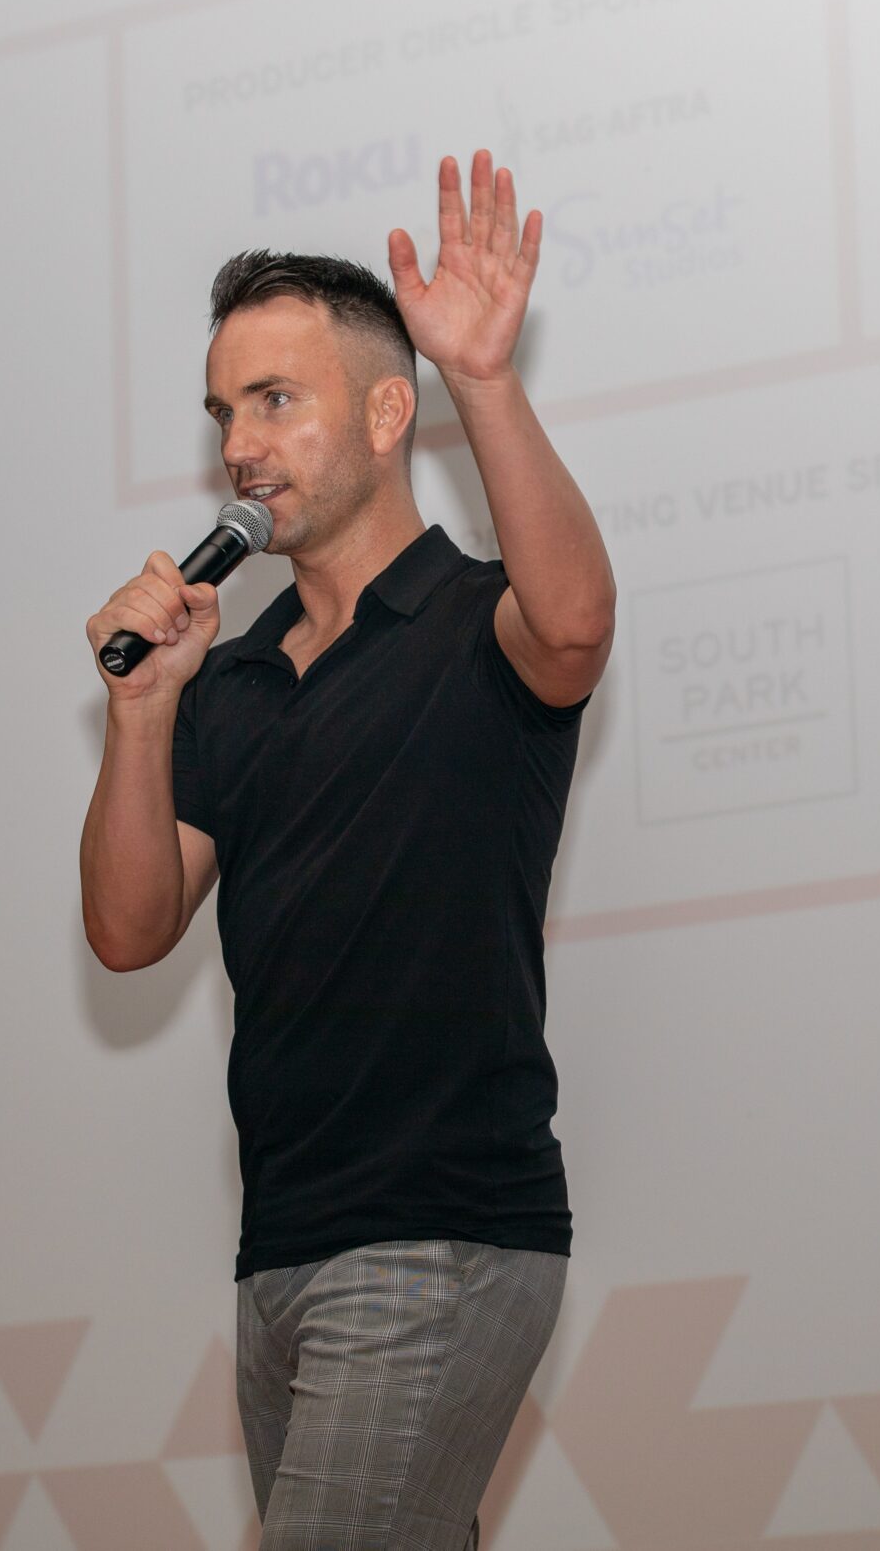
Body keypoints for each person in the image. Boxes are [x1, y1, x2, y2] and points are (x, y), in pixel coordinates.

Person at [78, 148, 614, 1548]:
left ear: (386, 414)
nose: (239, 446)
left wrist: (482, 379)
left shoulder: (477, 621)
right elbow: (129, 930)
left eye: (275, 400)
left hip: (440, 1227)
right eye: (223, 413)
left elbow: (573, 626)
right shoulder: (234, 680)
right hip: (282, 1249)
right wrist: (143, 711)